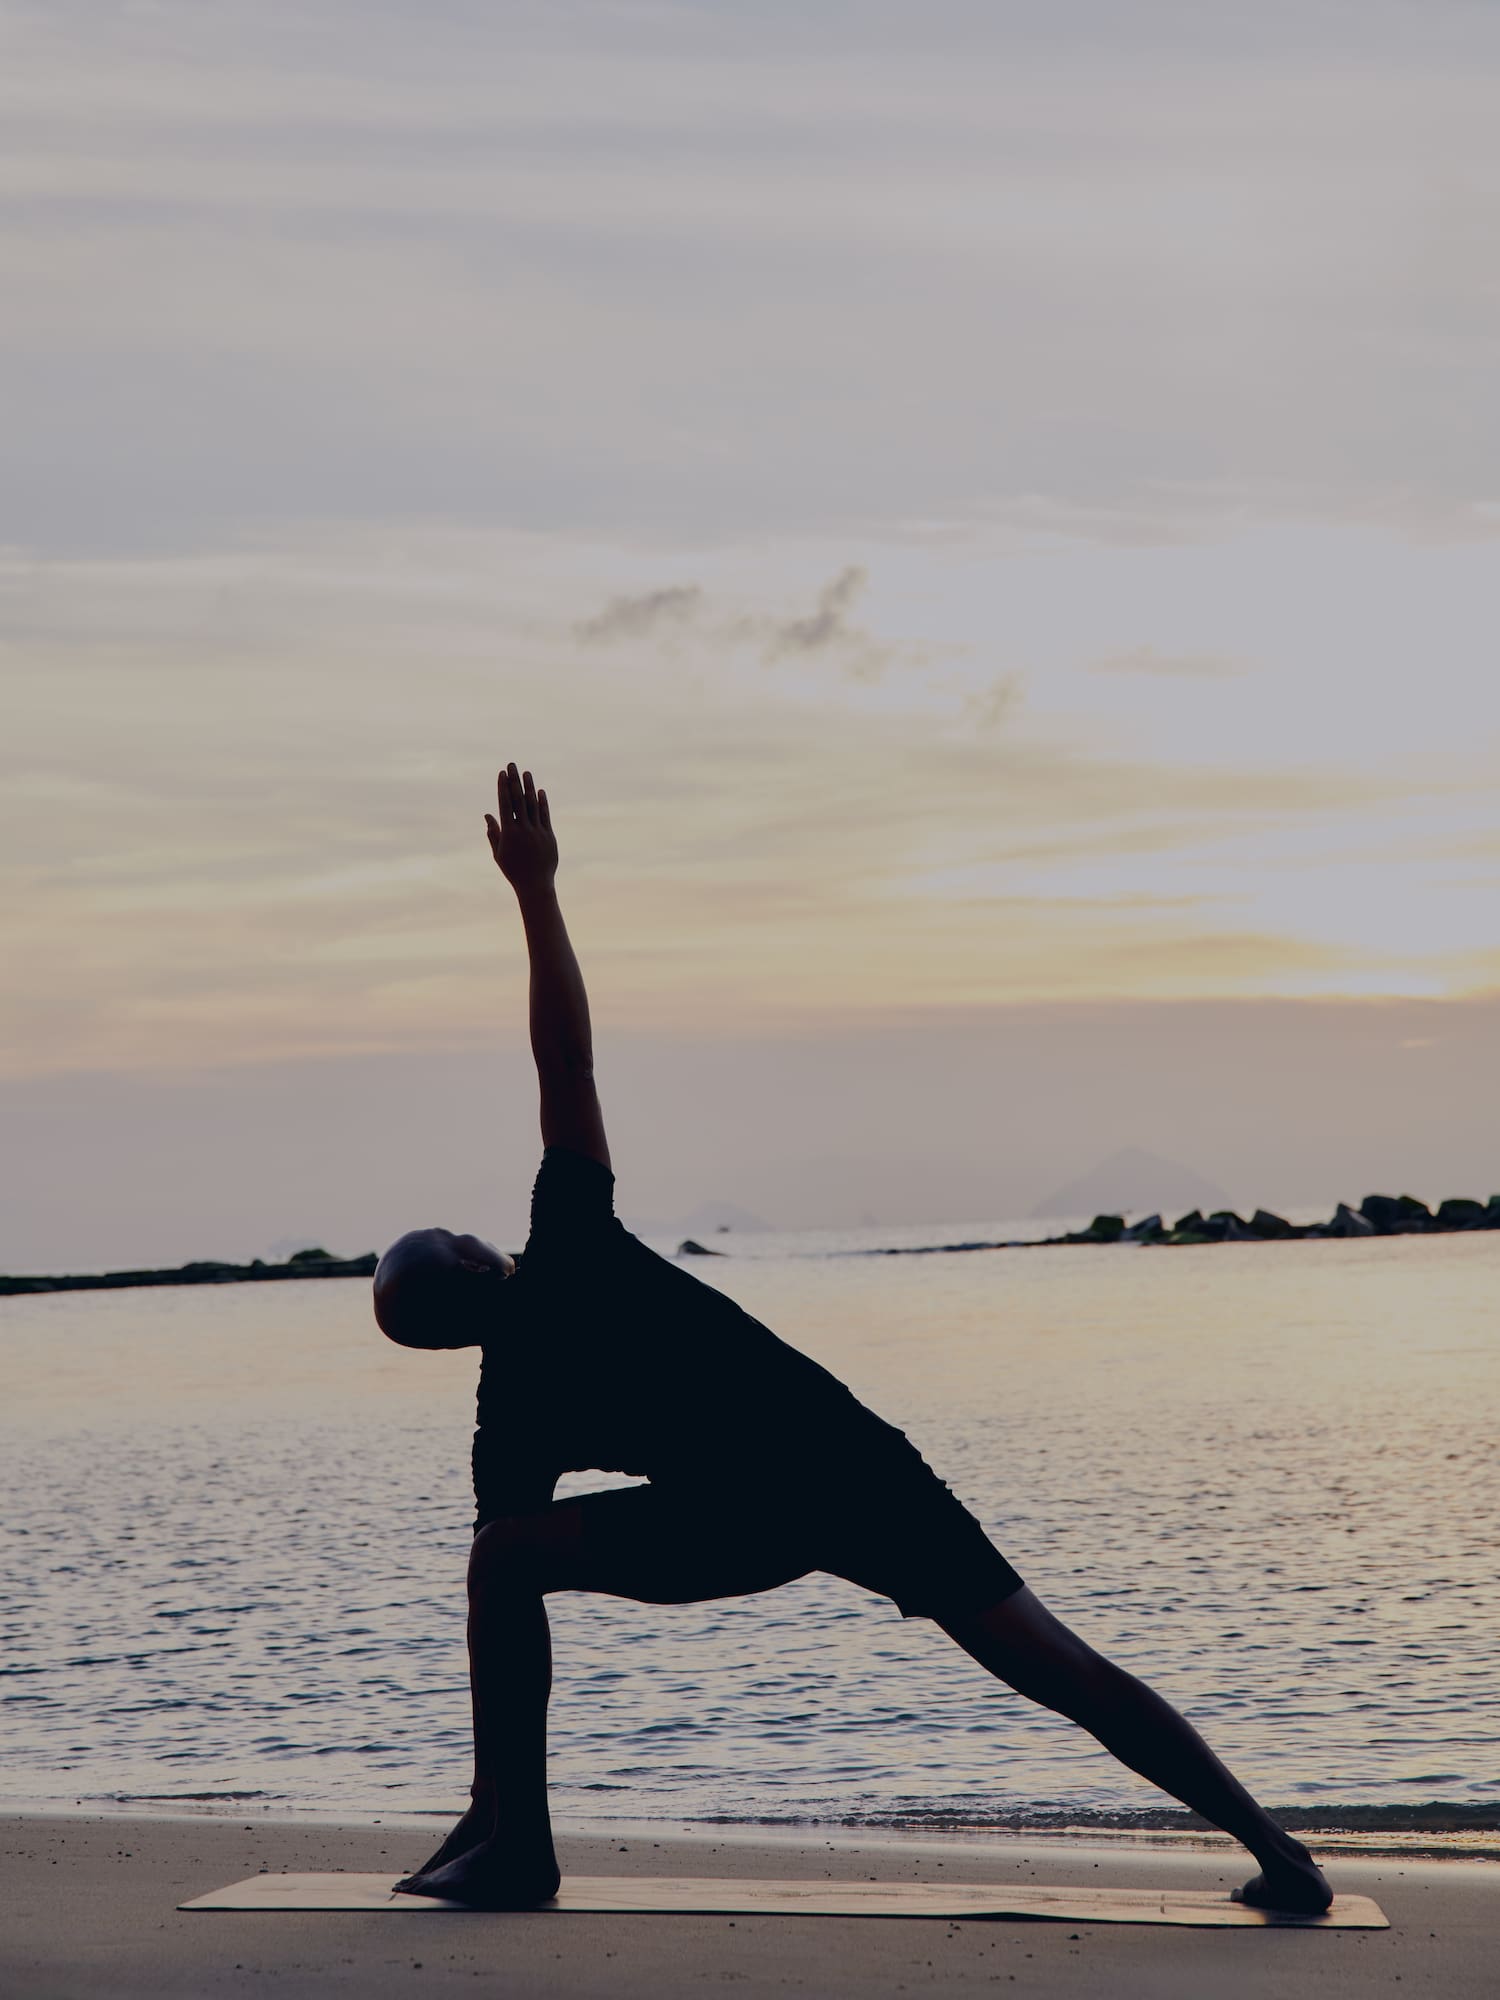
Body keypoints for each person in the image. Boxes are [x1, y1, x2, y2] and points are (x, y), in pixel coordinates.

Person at [372, 762, 1333, 1915]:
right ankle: (1279, 1852)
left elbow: (501, 1612)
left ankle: (507, 1832)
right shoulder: (569, 1237)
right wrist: (537, 891)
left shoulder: (507, 1409)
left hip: (746, 1517)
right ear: (478, 1259)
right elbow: (565, 1058)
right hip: (850, 1469)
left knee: (502, 1559)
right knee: (1055, 1663)